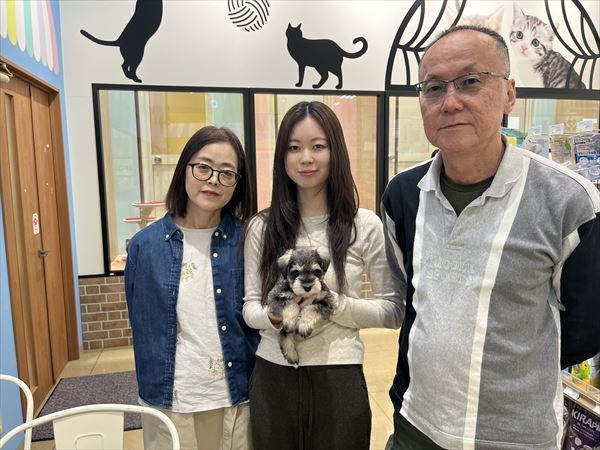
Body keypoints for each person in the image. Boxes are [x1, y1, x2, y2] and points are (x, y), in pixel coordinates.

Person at [381, 25, 600, 450]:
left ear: (509, 94)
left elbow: (584, 330)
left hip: (518, 438)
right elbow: (412, 302)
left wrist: (511, 366)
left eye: (470, 81)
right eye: (433, 88)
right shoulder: (403, 195)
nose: (450, 102)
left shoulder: (570, 202)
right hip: (415, 426)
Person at [243, 101, 403, 449]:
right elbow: (249, 309)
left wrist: (333, 304)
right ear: (282, 157)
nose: (306, 158)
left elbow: (393, 311)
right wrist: (273, 317)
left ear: (336, 152)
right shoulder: (261, 227)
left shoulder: (364, 225)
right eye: (294, 148)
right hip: (273, 376)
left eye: (318, 146)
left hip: (340, 376)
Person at [124, 126, 260, 450]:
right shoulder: (145, 246)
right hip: (170, 399)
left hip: (236, 396)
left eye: (227, 173)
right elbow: (142, 325)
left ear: (237, 184)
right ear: (184, 169)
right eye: (203, 167)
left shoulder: (249, 240)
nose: (213, 179)